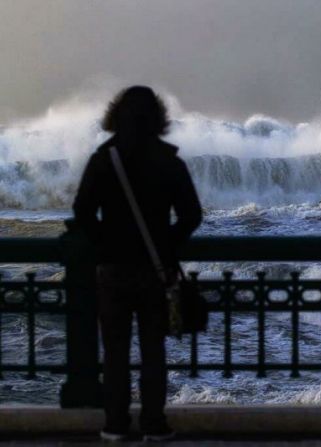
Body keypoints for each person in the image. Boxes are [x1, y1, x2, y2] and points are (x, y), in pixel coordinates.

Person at [73, 86, 202, 442]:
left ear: (116, 116)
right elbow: (192, 215)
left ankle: (115, 425)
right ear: (158, 118)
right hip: (155, 271)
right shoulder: (169, 161)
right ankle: (153, 424)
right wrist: (166, 245)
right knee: (153, 351)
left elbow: (82, 211)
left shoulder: (105, 159)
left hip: (113, 270)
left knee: (115, 353)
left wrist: (104, 244)